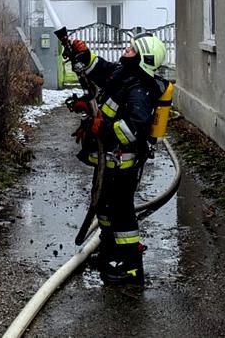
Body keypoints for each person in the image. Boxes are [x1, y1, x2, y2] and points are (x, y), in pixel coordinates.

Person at [65, 33, 169, 285]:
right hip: (110, 162)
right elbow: (101, 71)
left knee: (122, 214)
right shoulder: (124, 73)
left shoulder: (139, 90)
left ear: (142, 59)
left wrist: (103, 128)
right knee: (104, 208)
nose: (126, 49)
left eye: (132, 49)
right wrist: (84, 53)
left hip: (123, 164)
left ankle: (131, 268)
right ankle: (111, 252)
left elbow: (134, 130)